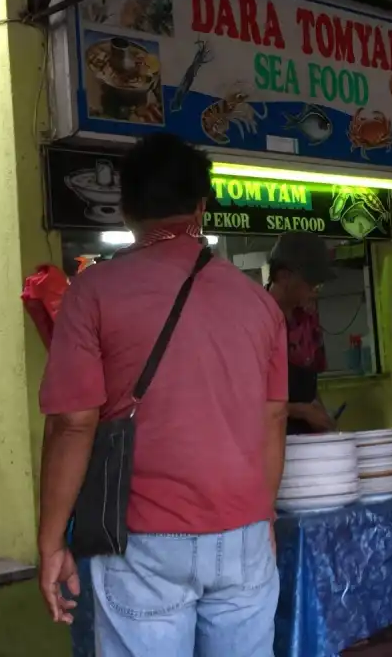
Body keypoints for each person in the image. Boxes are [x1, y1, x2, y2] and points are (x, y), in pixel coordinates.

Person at [37, 134, 287, 657]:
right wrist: (262, 517)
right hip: (243, 535)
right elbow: (273, 417)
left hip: (143, 540)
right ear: (201, 206)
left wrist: (51, 539)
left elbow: (74, 423)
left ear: (126, 208)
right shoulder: (258, 302)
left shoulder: (94, 292)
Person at [266, 232, 337, 434]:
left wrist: (321, 415)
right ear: (283, 276)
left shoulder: (307, 319)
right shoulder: (256, 319)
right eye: (310, 282)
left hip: (307, 441)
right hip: (271, 439)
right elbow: (247, 399)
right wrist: (303, 412)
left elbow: (310, 385)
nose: (315, 290)